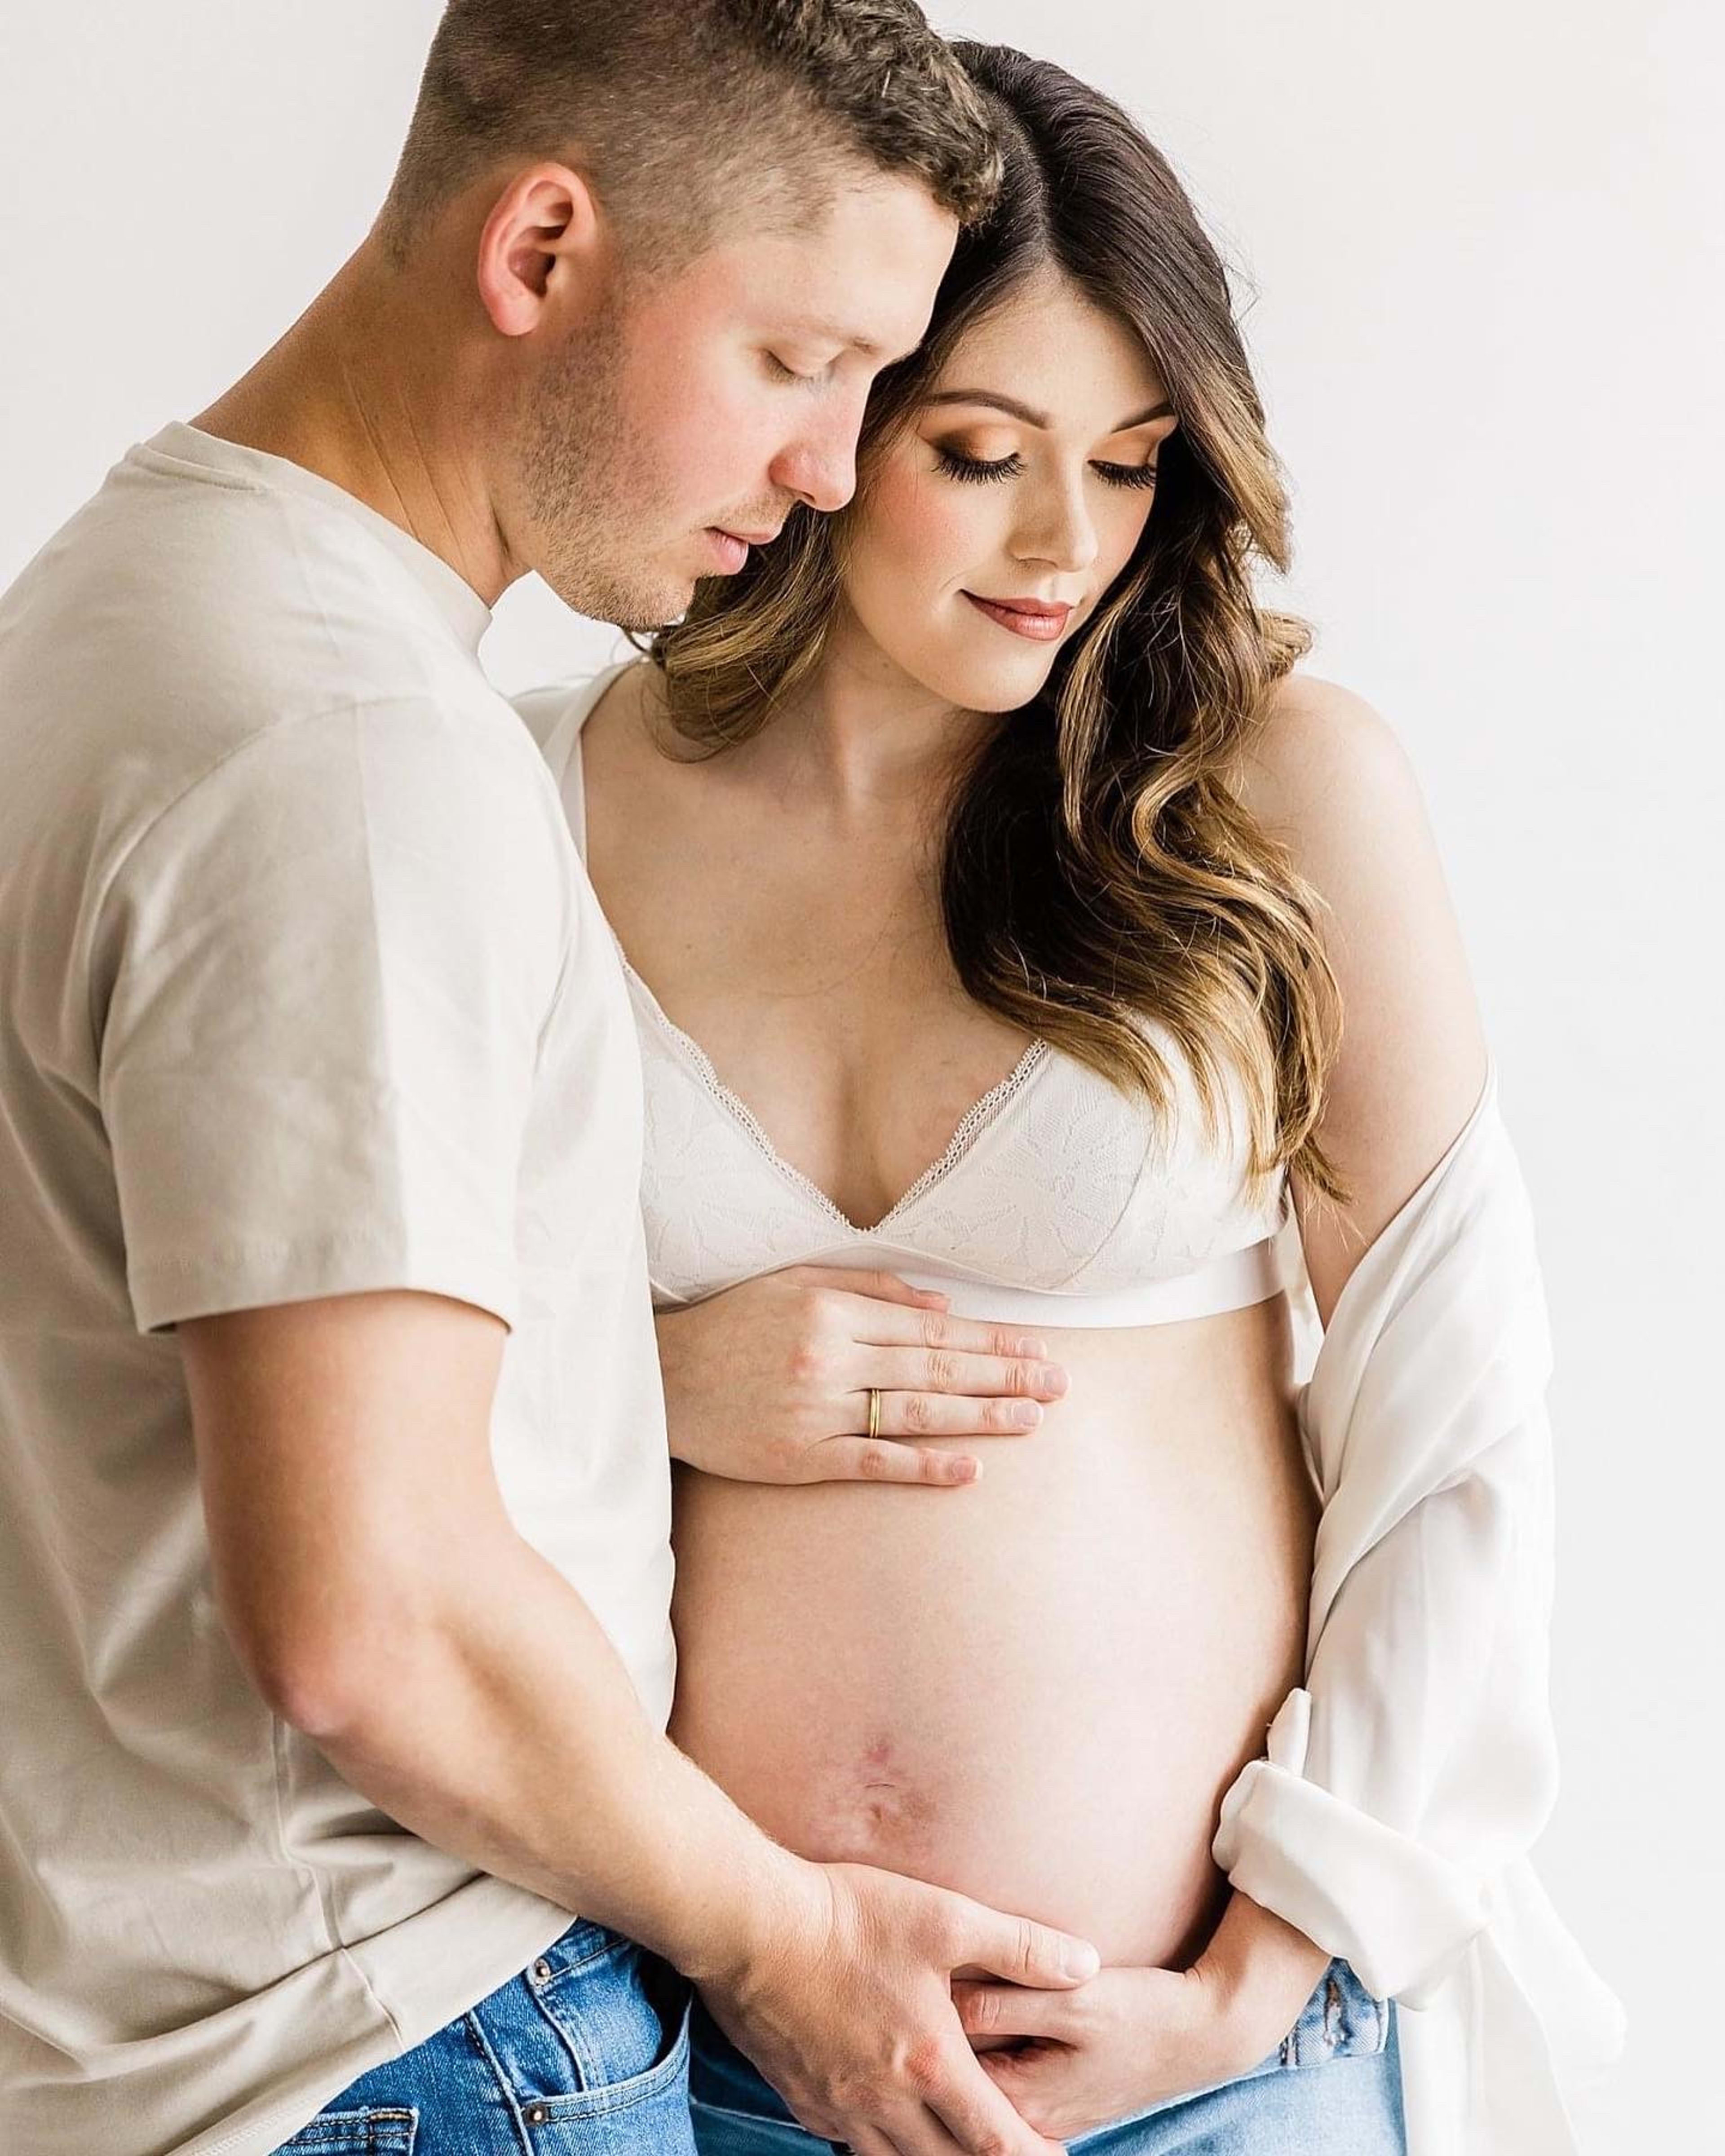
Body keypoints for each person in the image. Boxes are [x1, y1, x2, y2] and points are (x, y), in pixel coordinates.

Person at [0, 9, 1122, 2155]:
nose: (825, 467)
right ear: (543, 248)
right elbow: (369, 1611)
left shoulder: (117, 608)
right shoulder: (344, 754)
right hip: (396, 2044)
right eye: (800, 362)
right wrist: (783, 1944)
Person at [518, 38, 1627, 2154]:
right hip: (683, 2056)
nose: (1067, 543)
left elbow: (1455, 1416)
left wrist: (1259, 1976)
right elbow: (344, 1401)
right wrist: (635, 1377)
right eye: (981, 448)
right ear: (827, 416)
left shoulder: (1282, 795)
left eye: (1129, 463)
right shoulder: (540, 801)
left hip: (1199, 2067)